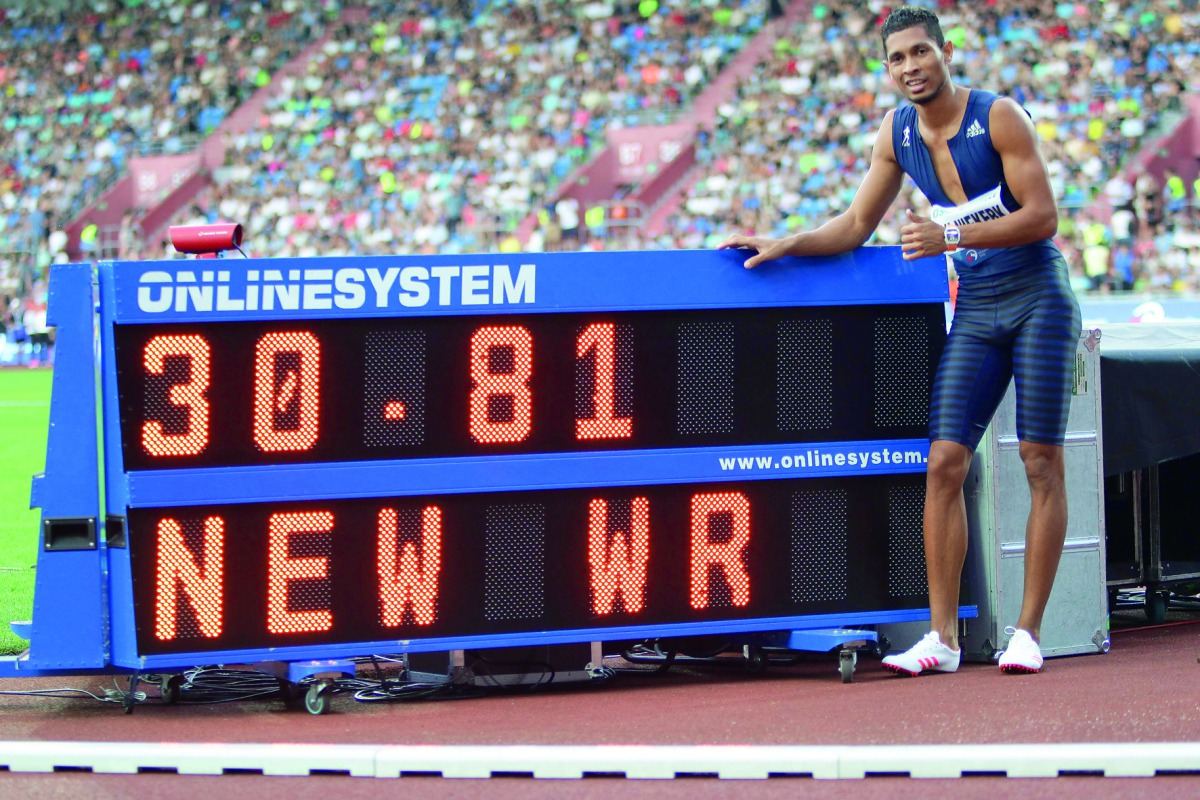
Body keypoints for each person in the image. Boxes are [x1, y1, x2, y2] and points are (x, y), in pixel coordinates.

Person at [719, 6, 1081, 676]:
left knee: (1039, 461)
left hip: (1038, 300)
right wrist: (787, 242)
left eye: (921, 53)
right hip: (977, 307)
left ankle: (1027, 632)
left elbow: (1043, 216)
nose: (911, 67)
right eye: (897, 59)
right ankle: (941, 639)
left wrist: (952, 236)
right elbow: (857, 222)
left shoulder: (999, 116)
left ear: (946, 52)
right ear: (887, 69)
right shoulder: (897, 133)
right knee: (943, 462)